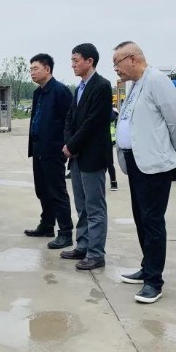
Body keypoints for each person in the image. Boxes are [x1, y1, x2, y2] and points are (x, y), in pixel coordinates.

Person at [113, 41, 176, 304]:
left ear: (132, 59)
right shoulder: (134, 85)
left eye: (117, 63)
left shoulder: (156, 81)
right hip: (135, 162)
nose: (115, 68)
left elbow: (175, 121)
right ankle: (147, 267)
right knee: (141, 218)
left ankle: (154, 281)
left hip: (154, 164)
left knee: (153, 221)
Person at [61, 44, 113, 270]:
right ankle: (82, 245)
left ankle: (96, 253)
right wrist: (68, 143)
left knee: (94, 208)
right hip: (76, 156)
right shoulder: (79, 88)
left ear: (89, 61)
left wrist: (72, 145)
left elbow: (93, 122)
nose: (72, 65)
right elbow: (70, 118)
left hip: (92, 156)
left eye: (76, 60)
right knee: (81, 205)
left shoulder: (102, 86)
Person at [24, 53, 74, 250]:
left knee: (57, 191)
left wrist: (66, 146)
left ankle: (65, 232)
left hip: (54, 150)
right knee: (42, 189)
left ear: (47, 69)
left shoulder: (60, 91)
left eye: (35, 68)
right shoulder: (38, 92)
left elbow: (70, 121)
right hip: (38, 148)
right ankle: (46, 225)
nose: (32, 73)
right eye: (30, 69)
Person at [108, 108, 118, 191]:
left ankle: (113, 182)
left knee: (109, 163)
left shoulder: (111, 112)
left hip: (109, 140)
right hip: (100, 140)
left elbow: (112, 118)